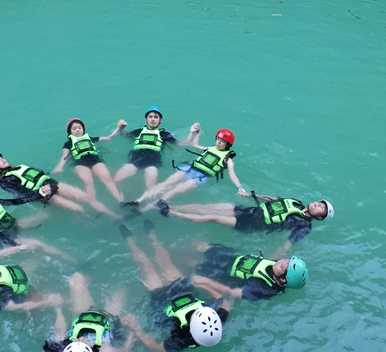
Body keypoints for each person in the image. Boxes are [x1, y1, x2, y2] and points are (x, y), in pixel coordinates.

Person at [118, 221, 230, 352]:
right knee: (165, 263)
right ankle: (151, 236)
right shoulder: (216, 321)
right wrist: (205, 286)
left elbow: (155, 348)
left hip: (161, 300)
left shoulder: (183, 339)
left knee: (146, 266)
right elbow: (226, 304)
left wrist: (136, 327)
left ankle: (130, 240)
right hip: (182, 291)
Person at [126, 128, 248, 212]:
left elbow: (232, 174)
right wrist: (197, 132)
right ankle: (138, 201)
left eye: (222, 141)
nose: (219, 142)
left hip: (200, 177)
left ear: (228, 144)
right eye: (218, 139)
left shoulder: (228, 159)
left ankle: (143, 210)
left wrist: (239, 187)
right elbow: (195, 145)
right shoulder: (210, 148)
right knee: (166, 184)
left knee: (174, 191)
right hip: (189, 168)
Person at [43, 272, 135, 352]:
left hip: (83, 314)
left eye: (77, 341)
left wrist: (58, 309)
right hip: (108, 318)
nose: (81, 338)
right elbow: (125, 350)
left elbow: (60, 329)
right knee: (122, 291)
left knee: (77, 277)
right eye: (84, 342)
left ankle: (93, 275)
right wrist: (131, 329)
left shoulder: (62, 347)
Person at [157, 195, 334, 252]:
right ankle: (171, 205)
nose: (319, 205)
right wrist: (249, 196)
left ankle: (172, 214)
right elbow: (273, 199)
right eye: (321, 203)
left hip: (252, 225)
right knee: (207, 207)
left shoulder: (304, 226)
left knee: (213, 218)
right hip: (249, 210)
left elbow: (288, 244)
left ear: (320, 217)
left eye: (322, 209)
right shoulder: (296, 202)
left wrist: (272, 263)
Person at [0, 183, 72, 258]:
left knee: (46, 214)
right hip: (8, 237)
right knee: (39, 244)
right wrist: (16, 245)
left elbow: (17, 201)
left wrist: (39, 195)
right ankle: (75, 261)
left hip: (15, 225)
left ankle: (77, 220)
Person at [0, 151, 116, 217]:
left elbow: (37, 175)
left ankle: (114, 216)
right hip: (44, 195)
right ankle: (91, 225)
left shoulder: (19, 167)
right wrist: (41, 193)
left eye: (1, 157)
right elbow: (22, 196)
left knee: (86, 197)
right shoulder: (4, 182)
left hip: (51, 183)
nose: (2, 159)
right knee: (77, 208)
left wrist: (53, 171)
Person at [114, 106, 200, 190]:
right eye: (150, 117)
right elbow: (123, 135)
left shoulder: (164, 134)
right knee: (116, 180)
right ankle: (121, 199)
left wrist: (191, 133)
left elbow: (182, 143)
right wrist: (120, 128)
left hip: (153, 162)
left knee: (150, 188)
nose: (152, 119)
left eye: (156, 117)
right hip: (135, 159)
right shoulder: (138, 132)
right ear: (146, 119)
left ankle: (147, 203)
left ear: (160, 120)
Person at [191, 243, 308, 301]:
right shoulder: (277, 267)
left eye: (282, 265)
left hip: (223, 273)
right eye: (284, 260)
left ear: (283, 279)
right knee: (200, 245)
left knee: (192, 263)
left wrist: (206, 281)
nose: (279, 261)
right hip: (232, 258)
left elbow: (232, 292)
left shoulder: (264, 289)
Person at [52, 118, 127, 203]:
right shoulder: (68, 144)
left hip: (95, 160)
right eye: (74, 128)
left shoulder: (90, 138)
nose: (77, 130)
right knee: (88, 181)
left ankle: (121, 200)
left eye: (79, 128)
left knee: (106, 178)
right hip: (80, 163)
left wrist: (119, 128)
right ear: (70, 132)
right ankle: (94, 204)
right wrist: (59, 167)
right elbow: (64, 157)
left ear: (83, 129)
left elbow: (109, 138)